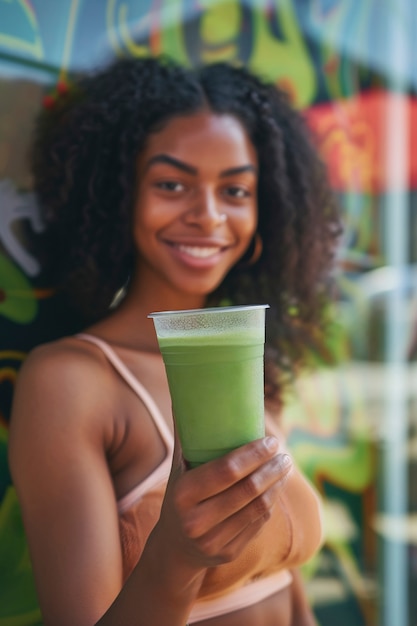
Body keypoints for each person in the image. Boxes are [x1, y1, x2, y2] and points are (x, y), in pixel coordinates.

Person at [8, 55, 341, 626]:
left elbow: (285, 583)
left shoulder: (247, 362)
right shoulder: (72, 383)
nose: (208, 216)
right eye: (171, 183)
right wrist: (178, 558)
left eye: (235, 190)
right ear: (119, 197)